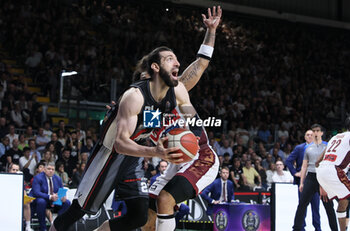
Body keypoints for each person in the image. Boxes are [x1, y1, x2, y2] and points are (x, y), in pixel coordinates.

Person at [51, 6, 221, 231]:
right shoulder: (140, 103)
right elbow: (131, 138)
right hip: (143, 158)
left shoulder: (177, 90)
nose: (176, 66)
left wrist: (210, 31)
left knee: (163, 201)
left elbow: (200, 65)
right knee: (143, 217)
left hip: (198, 156)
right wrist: (118, 117)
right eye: (170, 60)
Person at [292, 124, 338, 231]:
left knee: (329, 207)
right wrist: (302, 182)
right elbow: (304, 166)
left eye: (317, 131)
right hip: (311, 177)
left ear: (321, 133)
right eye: (314, 131)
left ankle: (335, 229)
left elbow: (329, 164)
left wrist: (327, 182)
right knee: (302, 204)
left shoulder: (327, 146)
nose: (315, 133)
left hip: (323, 178)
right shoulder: (307, 148)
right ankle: (296, 229)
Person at [316, 117, 350, 231]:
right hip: (334, 171)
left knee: (343, 201)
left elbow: (317, 161)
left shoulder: (335, 137)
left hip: (321, 172)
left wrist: (322, 184)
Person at [286, 129, 321, 230]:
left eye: (311, 135)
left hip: (315, 179)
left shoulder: (319, 148)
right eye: (307, 135)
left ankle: (317, 228)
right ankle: (301, 227)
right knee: (302, 206)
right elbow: (288, 161)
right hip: (304, 181)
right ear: (305, 137)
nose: (310, 136)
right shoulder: (299, 148)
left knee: (316, 207)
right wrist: (295, 173)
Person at [31, 162, 70, 231]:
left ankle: (58, 225)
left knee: (67, 203)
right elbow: (36, 192)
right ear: (44, 169)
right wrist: (50, 196)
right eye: (49, 169)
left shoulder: (57, 178)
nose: (51, 171)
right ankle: (43, 228)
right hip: (43, 200)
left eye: (52, 169)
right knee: (41, 202)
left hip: (54, 201)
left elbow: (61, 190)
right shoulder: (38, 178)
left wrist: (63, 197)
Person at [9, 163, 34, 231]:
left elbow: (24, 192)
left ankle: (28, 226)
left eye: (17, 170)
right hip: (7, 199)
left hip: (18, 199)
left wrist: (27, 198)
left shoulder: (21, 180)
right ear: (9, 170)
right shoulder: (5, 178)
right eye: (13, 170)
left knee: (26, 203)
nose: (15, 172)